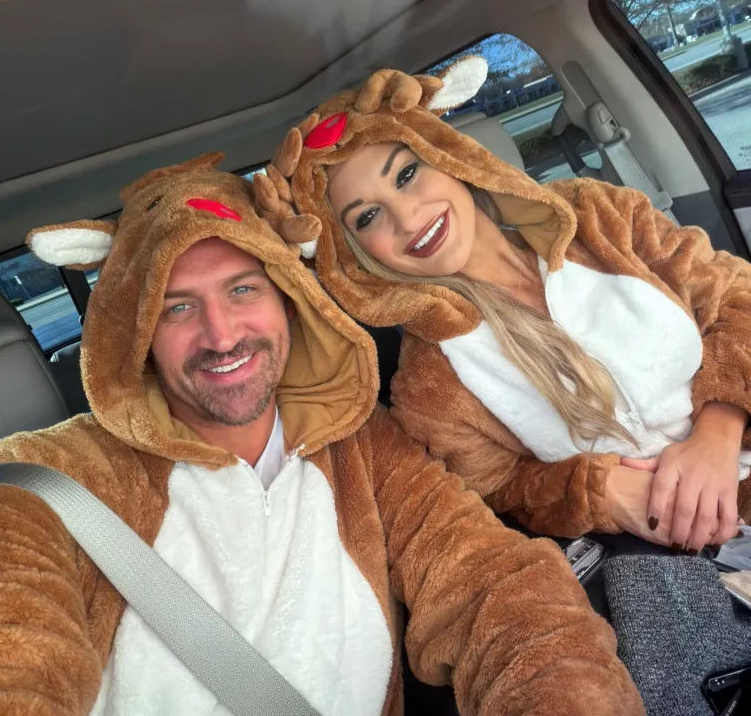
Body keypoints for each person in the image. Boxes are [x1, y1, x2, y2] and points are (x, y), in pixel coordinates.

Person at [0, 152, 664, 716]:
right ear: (138, 334)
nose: (222, 336)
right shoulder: (43, 483)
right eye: (176, 307)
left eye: (243, 289)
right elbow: (5, 678)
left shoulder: (367, 448)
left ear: (291, 300)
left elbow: (504, 598)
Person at [254, 57, 751, 556]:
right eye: (367, 218)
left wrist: (719, 433)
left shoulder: (594, 216)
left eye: (406, 174)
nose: (407, 219)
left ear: (446, 157)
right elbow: (502, 488)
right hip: (685, 553)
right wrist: (601, 493)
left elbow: (736, 294)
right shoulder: (430, 386)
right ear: (356, 253)